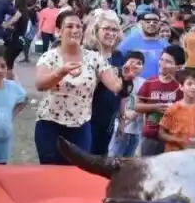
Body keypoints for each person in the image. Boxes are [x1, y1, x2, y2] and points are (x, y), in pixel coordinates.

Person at [34, 10, 127, 163]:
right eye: (70, 26)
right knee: (50, 174)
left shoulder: (93, 58)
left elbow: (116, 88)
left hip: (80, 126)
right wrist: (60, 72)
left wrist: (127, 78)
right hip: (49, 125)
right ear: (58, 31)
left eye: (79, 26)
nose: (75, 30)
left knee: (78, 173)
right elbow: (40, 84)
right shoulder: (50, 56)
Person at [86, 11, 126, 156]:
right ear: (96, 31)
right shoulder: (88, 55)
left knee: (101, 156)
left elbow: (122, 91)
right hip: (88, 117)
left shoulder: (118, 56)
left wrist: (122, 117)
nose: (111, 33)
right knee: (86, 156)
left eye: (114, 30)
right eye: (106, 29)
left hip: (109, 117)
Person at [135, 45, 186, 156]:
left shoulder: (182, 86)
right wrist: (155, 107)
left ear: (178, 66)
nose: (162, 64)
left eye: (168, 61)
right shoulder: (150, 81)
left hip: (173, 139)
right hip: (150, 138)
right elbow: (137, 106)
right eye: (161, 59)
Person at [158, 69, 195, 152]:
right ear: (181, 87)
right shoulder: (173, 109)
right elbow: (161, 134)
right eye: (189, 84)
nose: (193, 87)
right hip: (172, 155)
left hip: (193, 155)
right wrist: (179, 141)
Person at [109, 51, 146, 157]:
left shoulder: (144, 83)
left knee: (129, 160)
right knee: (114, 157)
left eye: (139, 63)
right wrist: (123, 120)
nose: (135, 65)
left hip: (135, 131)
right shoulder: (117, 80)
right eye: (132, 62)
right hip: (119, 128)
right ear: (125, 64)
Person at [117, 10, 170, 80]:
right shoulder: (130, 40)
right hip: (135, 87)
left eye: (155, 22)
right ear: (141, 23)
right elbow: (117, 60)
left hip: (157, 86)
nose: (151, 24)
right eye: (148, 22)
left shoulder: (165, 44)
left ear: (159, 24)